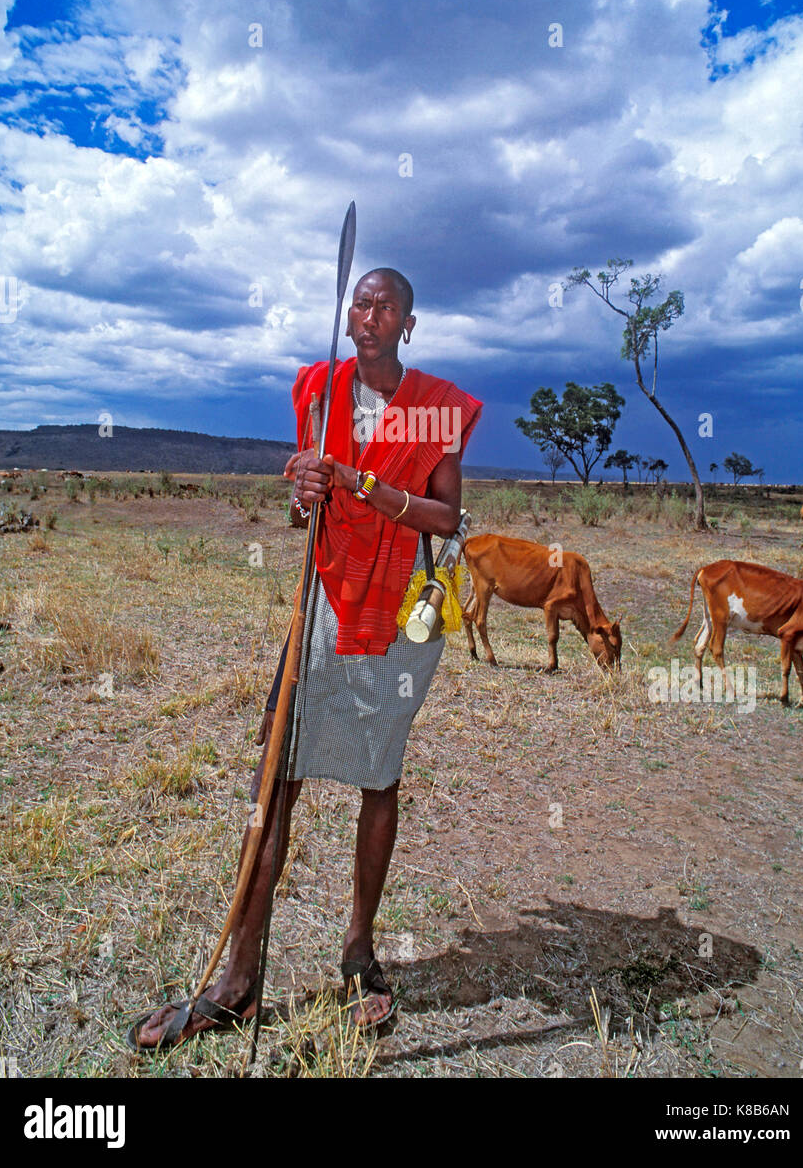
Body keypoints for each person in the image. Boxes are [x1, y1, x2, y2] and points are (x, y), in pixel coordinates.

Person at [127, 267, 481, 1049]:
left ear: (408, 325)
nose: (370, 312)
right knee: (276, 773)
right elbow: (306, 511)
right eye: (360, 301)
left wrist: (371, 487)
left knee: (378, 777)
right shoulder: (319, 390)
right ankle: (238, 978)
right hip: (322, 599)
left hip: (398, 615)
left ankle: (359, 951)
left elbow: (448, 513)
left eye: (386, 304)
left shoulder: (435, 408)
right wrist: (305, 494)